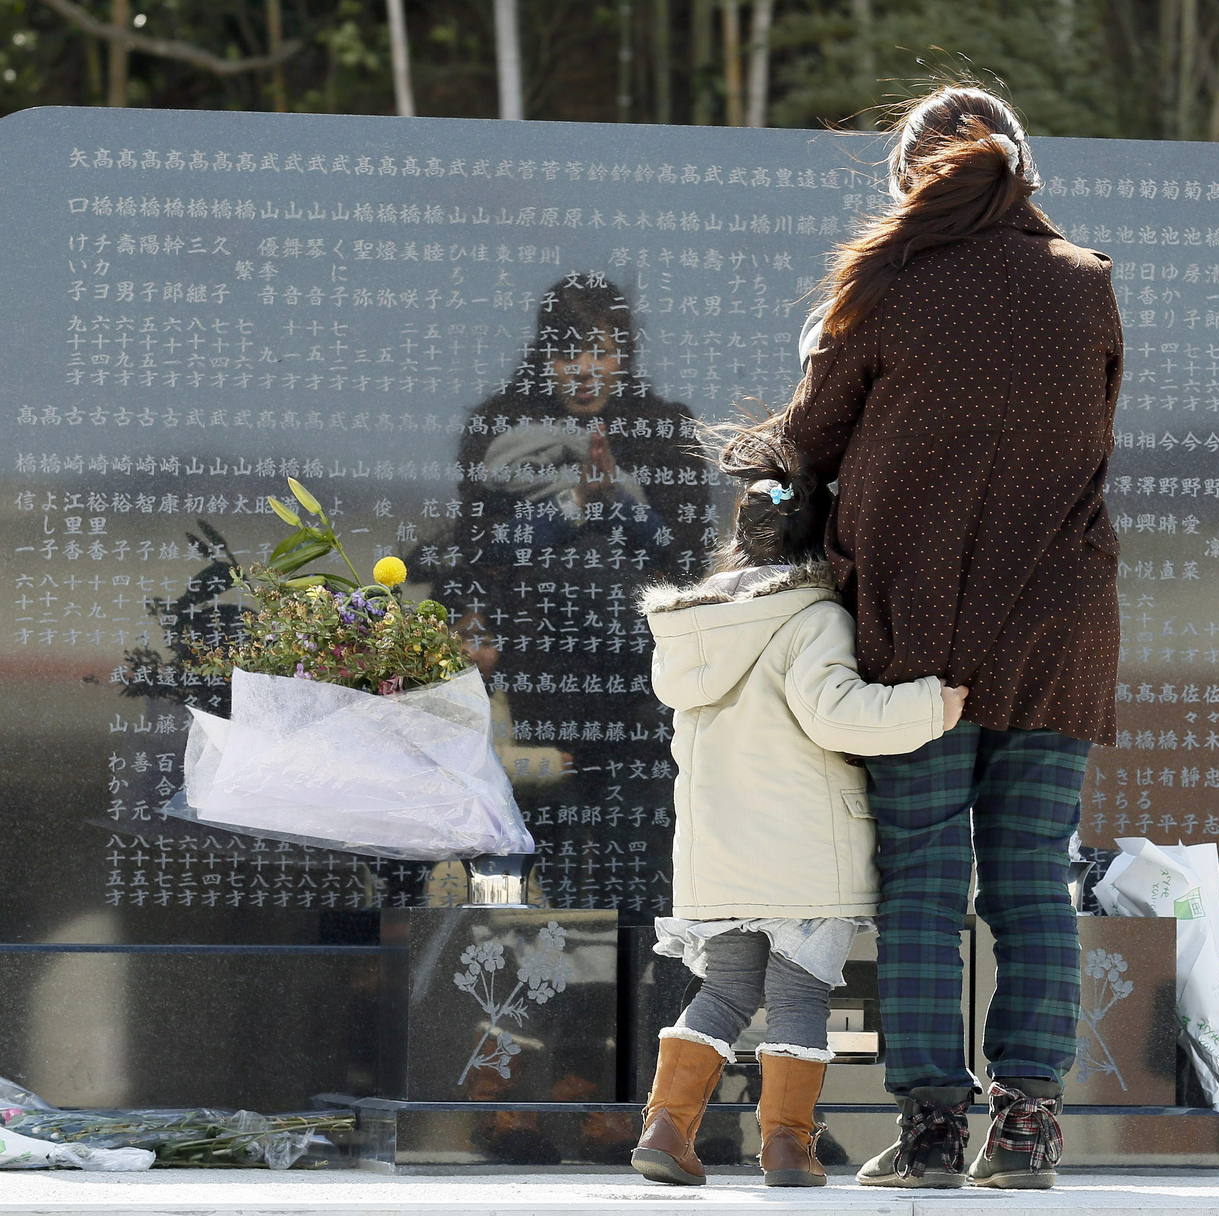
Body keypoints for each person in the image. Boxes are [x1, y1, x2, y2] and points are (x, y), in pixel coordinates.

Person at [781, 84, 1124, 1189]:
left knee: (923, 878)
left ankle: (930, 1128)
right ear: (1022, 173)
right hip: (1055, 622)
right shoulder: (1087, 288)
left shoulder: (886, 283)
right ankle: (1026, 1131)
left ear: (908, 180)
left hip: (915, 625)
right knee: (1030, 876)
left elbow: (808, 438)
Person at [630, 426, 968, 1188]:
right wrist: (930, 705)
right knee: (799, 994)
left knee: (723, 988)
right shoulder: (814, 617)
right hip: (804, 853)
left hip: (720, 853)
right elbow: (836, 715)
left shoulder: (695, 631)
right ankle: (788, 1145)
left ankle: (666, 1126)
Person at [428, 274, 710, 916]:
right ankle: (522, 997)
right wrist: (571, 502)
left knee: (639, 859)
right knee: (532, 862)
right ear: (543, 357)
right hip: (539, 679)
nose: (583, 371)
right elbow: (485, 551)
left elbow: (686, 556)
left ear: (624, 355)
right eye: (566, 354)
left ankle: (642, 999)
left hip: (641, 687)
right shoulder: (500, 428)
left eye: (600, 352)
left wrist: (621, 506)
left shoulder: (665, 430)